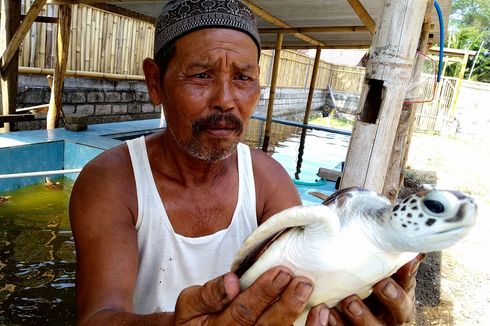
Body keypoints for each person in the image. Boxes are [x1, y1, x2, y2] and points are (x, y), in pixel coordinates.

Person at [69, 0, 423, 325]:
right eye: (201, 75)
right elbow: (98, 317)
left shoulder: (266, 178)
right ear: (155, 82)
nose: (225, 100)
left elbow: (306, 289)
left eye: (243, 78)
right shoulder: (113, 181)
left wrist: (356, 301)